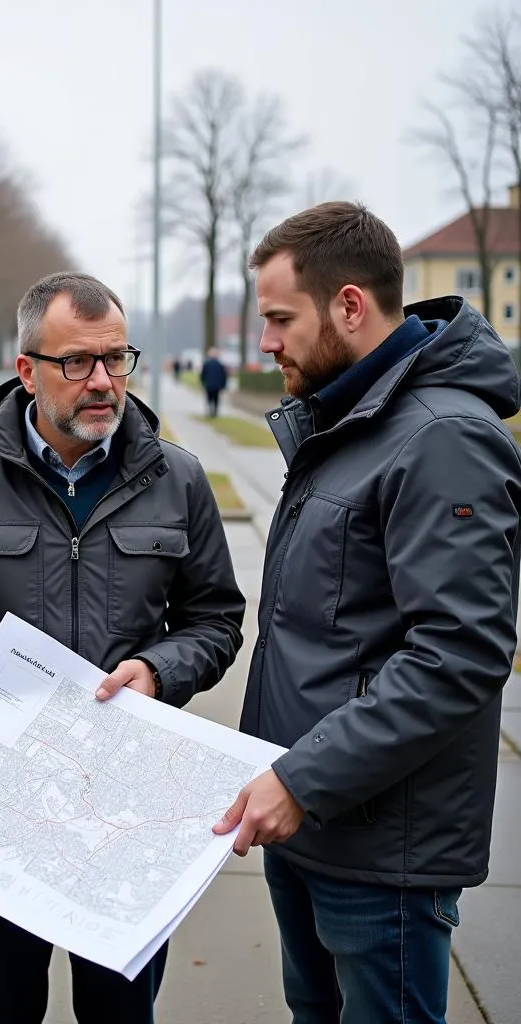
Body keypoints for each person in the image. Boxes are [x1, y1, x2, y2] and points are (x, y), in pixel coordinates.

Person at [0, 271, 246, 1024]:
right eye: (76, 362)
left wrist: (157, 670)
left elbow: (216, 619)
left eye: (116, 359)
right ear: (27, 371)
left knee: (122, 1013)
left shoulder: (177, 481)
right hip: (3, 808)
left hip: (128, 808)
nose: (102, 382)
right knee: (2, 1006)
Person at [213, 201, 521, 1024]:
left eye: (279, 318)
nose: (265, 340)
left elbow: (458, 655)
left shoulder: (442, 437)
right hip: (309, 826)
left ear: (350, 306)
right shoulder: (351, 422)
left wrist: (300, 778)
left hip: (378, 855)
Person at [199, 347, 227, 417]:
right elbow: (224, 376)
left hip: (209, 385)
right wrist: (223, 385)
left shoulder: (207, 364)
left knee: (209, 398)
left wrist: (203, 382)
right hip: (216, 385)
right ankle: (214, 412)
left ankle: (210, 411)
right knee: (215, 398)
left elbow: (203, 375)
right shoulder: (220, 365)